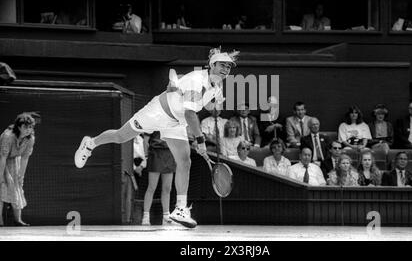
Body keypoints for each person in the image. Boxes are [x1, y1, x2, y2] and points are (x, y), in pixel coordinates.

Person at [74, 47, 238, 228]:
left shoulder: (217, 85)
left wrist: (213, 101)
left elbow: (203, 105)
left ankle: (181, 209)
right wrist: (200, 141)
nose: (225, 70)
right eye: (222, 65)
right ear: (211, 65)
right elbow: (191, 114)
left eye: (229, 67)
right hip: (158, 113)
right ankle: (91, 143)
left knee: (184, 161)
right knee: (121, 136)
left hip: (176, 122)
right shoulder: (197, 79)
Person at [0, 113, 36, 226]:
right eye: (26, 127)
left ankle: (18, 220)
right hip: (2, 159)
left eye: (30, 127)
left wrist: (21, 176)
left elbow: (25, 158)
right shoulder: (8, 136)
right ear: (19, 127)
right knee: (1, 186)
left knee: (17, 185)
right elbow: (3, 157)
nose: (28, 130)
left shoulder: (30, 139)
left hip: (14, 159)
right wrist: (1, 176)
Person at [141, 131, 177, 225]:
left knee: (167, 188)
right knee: (152, 187)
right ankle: (145, 217)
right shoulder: (152, 119)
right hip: (155, 154)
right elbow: (145, 141)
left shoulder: (172, 121)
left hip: (170, 154)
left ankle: (166, 216)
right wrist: (146, 156)